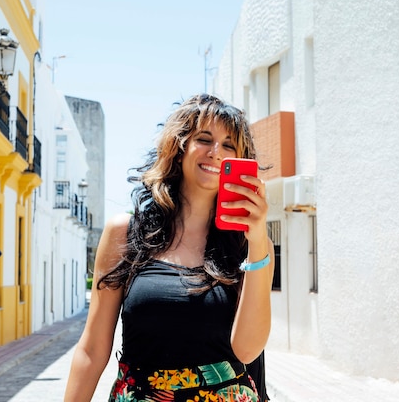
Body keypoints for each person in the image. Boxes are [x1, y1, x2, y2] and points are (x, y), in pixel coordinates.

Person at [65, 93, 274, 402]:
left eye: (229, 145)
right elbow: (92, 349)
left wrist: (257, 241)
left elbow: (247, 348)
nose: (216, 152)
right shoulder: (125, 233)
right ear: (179, 149)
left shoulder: (251, 246)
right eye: (204, 139)